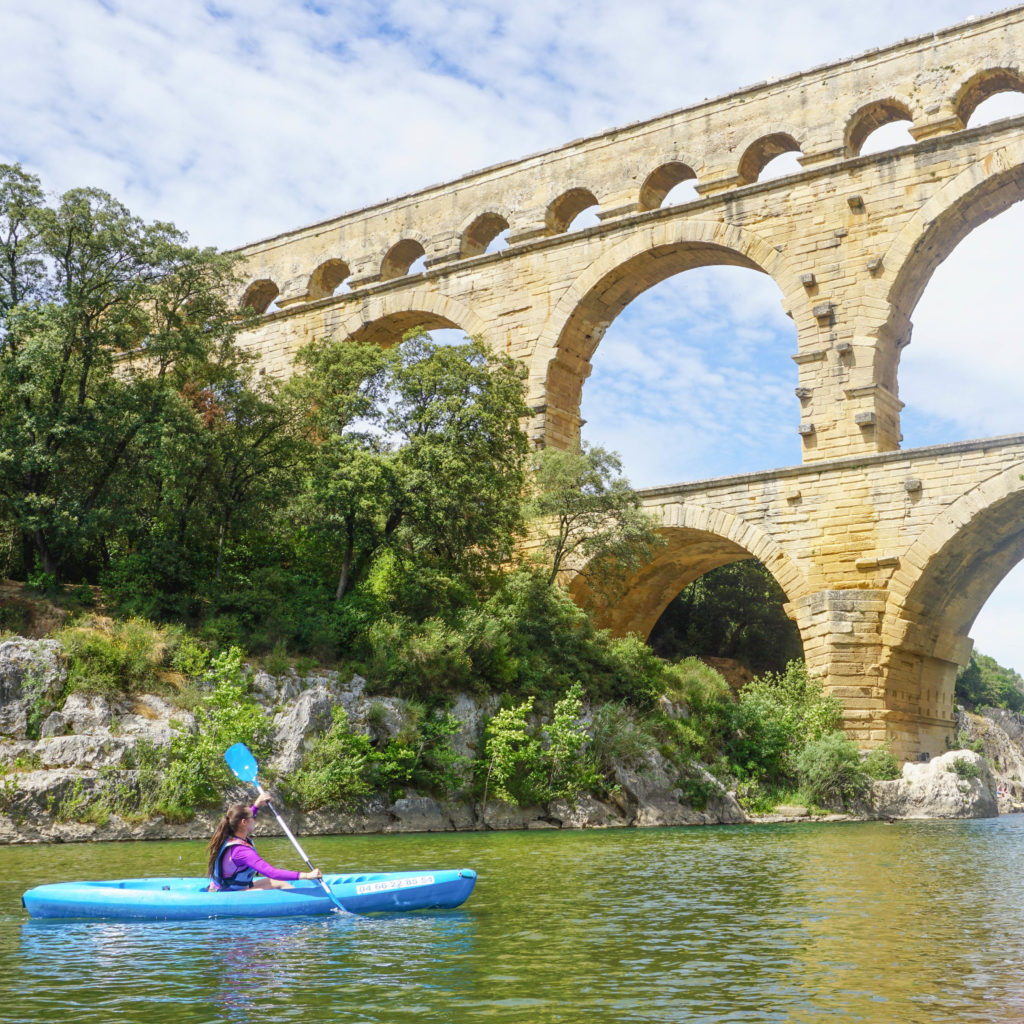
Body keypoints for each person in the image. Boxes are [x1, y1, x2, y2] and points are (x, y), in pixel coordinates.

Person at [207, 793, 323, 892]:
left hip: (223, 888)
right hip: (229, 894)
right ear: (244, 822)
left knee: (276, 882)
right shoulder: (242, 851)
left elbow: (246, 817)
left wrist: (257, 805)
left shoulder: (229, 834)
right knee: (280, 883)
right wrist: (307, 875)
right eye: (253, 818)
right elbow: (272, 872)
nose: (255, 819)